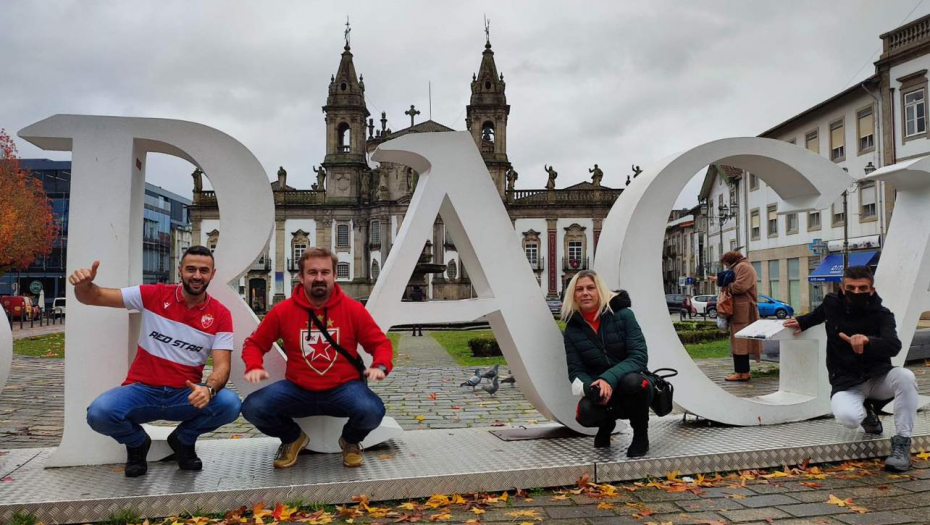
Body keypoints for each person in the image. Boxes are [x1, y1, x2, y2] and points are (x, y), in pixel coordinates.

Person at [77, 246, 240, 477]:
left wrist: (209, 389)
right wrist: (84, 284)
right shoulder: (154, 294)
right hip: (142, 391)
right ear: (180, 270)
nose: (197, 276)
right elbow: (94, 296)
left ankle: (183, 440)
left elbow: (223, 366)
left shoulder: (220, 314)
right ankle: (136, 444)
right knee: (98, 413)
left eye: (204, 270)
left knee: (230, 403)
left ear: (212, 274)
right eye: (190, 269)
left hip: (184, 394)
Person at [240, 247, 393, 469]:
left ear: (334, 275)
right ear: (301, 277)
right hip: (298, 389)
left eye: (325, 272)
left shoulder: (353, 309)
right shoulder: (283, 311)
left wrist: (380, 364)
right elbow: (254, 343)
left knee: (372, 410)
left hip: (344, 388)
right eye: (312, 273)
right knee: (252, 407)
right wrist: (254, 364)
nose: (319, 278)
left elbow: (380, 343)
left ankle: (350, 440)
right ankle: (292, 437)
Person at [784, 265, 916, 472]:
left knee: (905, 377)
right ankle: (866, 413)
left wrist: (868, 341)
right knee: (849, 418)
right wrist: (802, 322)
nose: (857, 292)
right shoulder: (831, 303)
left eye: (862, 288)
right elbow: (818, 315)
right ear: (842, 288)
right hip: (846, 381)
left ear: (872, 290)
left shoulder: (883, 315)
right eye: (851, 288)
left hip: (877, 378)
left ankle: (902, 444)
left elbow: (893, 345)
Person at [561, 270, 651, 457]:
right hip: (601, 388)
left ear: (600, 290)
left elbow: (639, 356)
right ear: (573, 295)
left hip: (631, 382)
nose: (585, 293)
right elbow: (575, 370)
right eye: (579, 289)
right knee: (585, 412)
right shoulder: (572, 329)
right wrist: (591, 387)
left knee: (633, 383)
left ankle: (641, 435)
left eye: (590, 288)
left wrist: (607, 379)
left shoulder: (623, 315)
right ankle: (606, 424)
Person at [720, 251, 762, 382]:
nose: (726, 267)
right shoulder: (740, 266)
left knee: (741, 342)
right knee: (739, 341)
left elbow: (740, 286)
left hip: (743, 309)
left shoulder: (743, 267)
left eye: (726, 264)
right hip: (740, 308)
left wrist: (727, 286)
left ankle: (742, 372)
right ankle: (741, 371)